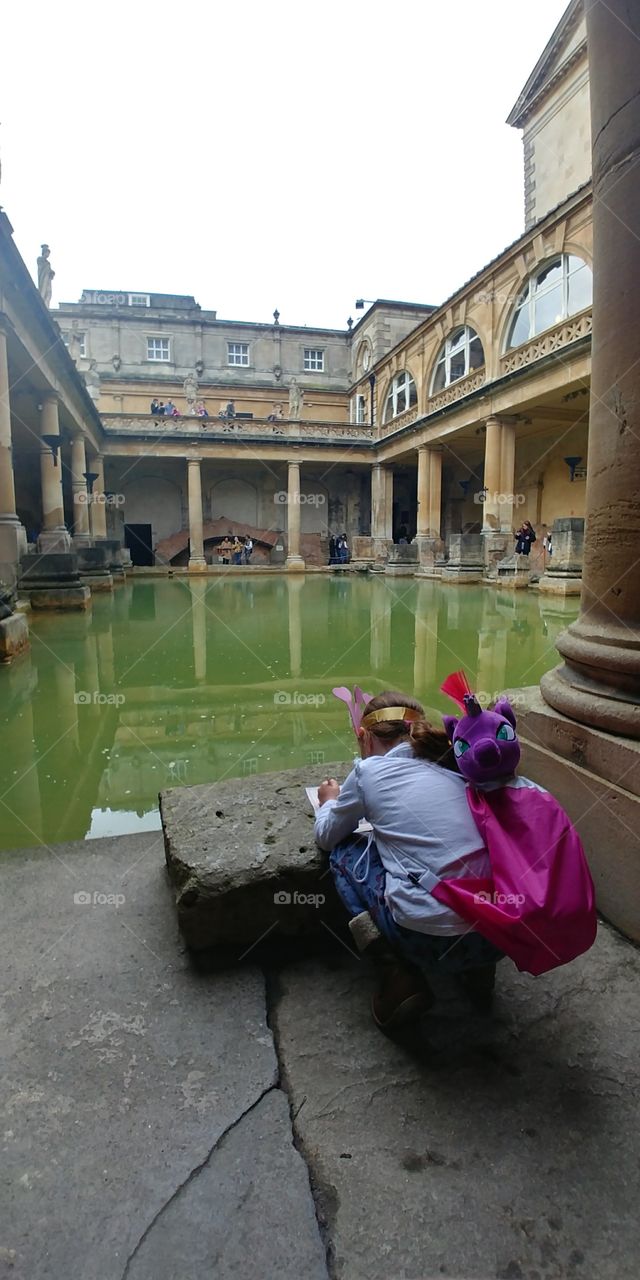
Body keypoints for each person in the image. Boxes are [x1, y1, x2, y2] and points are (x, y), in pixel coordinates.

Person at [314, 690, 503, 1032]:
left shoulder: (369, 772)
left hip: (427, 942)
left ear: (367, 737)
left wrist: (330, 801)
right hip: (498, 933)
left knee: (344, 853)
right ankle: (478, 973)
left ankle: (397, 975)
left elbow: (327, 835)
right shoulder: (455, 765)